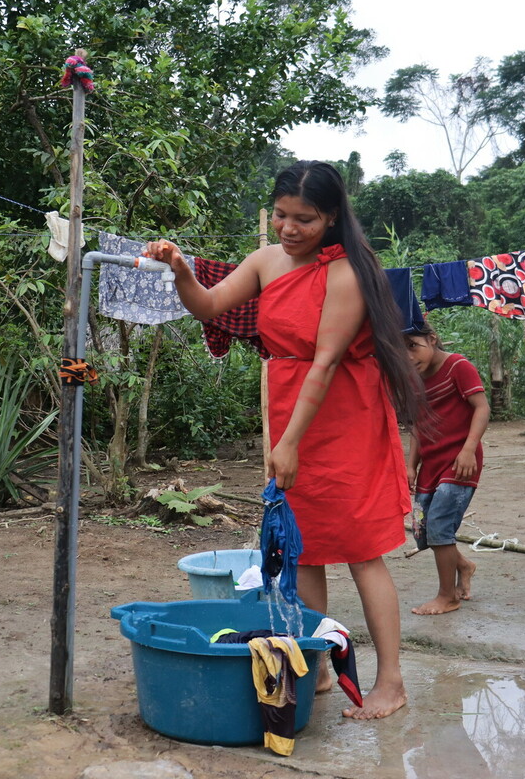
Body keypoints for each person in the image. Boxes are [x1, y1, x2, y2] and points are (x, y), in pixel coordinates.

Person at [144, 160, 422, 720]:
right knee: (305, 548)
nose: (289, 229)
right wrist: (180, 270)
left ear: (333, 217)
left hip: (342, 415)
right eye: (280, 215)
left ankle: (389, 681)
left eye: (305, 219)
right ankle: (318, 664)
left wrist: (289, 443)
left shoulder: (349, 273)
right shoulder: (266, 260)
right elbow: (208, 307)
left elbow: (324, 364)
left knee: (362, 552)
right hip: (291, 403)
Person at [405, 321, 489, 615]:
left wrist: (469, 449)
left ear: (432, 338)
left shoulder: (458, 367)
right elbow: (417, 424)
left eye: (413, 346)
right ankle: (464, 565)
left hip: (460, 463)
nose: (408, 356)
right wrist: (411, 466)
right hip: (431, 464)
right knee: (425, 529)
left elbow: (482, 407)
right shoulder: (413, 379)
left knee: (440, 523)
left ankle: (447, 596)